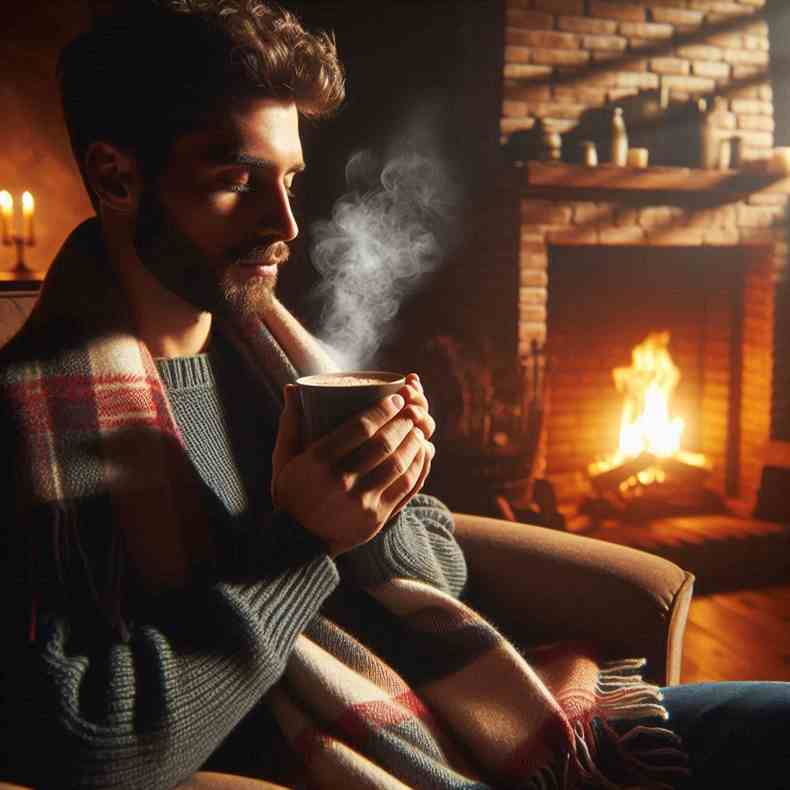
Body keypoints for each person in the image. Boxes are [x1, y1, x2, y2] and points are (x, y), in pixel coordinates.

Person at [1, 2, 788, 789]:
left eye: (291, 179)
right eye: (234, 180)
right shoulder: (28, 426)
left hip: (475, 724)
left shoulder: (273, 360)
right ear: (115, 176)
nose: (285, 224)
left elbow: (439, 576)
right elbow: (86, 738)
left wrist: (385, 497)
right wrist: (305, 543)